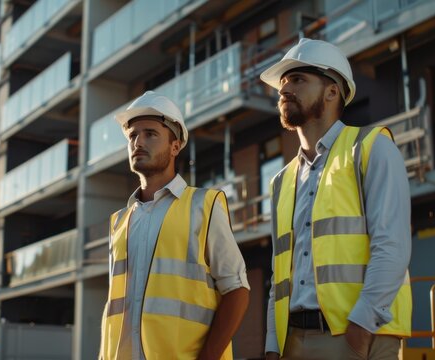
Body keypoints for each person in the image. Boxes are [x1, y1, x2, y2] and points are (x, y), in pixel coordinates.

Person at [259, 38, 412, 360]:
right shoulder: (281, 181)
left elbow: (392, 245)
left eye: (298, 79)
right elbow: (279, 275)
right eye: (283, 83)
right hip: (294, 341)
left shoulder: (372, 148)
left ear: (332, 92)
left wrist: (361, 327)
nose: (284, 90)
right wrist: (274, 343)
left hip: (356, 336)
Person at [99, 91, 250, 360]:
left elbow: (237, 290)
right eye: (132, 135)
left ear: (175, 146)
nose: (138, 142)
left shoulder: (204, 205)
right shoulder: (118, 222)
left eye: (150, 134)